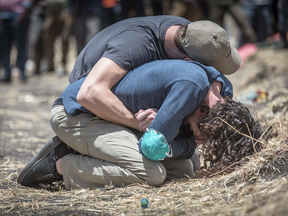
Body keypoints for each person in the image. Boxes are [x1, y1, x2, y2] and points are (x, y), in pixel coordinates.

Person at [17, 59, 263, 189]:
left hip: (115, 123)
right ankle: (60, 163)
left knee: (185, 170)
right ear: (202, 111)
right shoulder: (193, 88)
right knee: (152, 174)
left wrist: (182, 143)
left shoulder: (219, 93)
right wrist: (184, 144)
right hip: (77, 113)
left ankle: (91, 150)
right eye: (205, 134)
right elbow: (153, 148)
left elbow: (174, 145)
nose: (202, 141)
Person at [67, 16, 242, 135]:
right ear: (189, 61)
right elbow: (89, 92)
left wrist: (213, 80)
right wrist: (140, 125)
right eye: (209, 66)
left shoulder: (191, 33)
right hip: (90, 99)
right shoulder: (134, 44)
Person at [0, 0, 32, 83]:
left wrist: (22, 14)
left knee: (21, 46)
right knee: (5, 47)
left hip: (18, 17)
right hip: (3, 17)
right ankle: (7, 72)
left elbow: (27, 2)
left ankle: (22, 72)